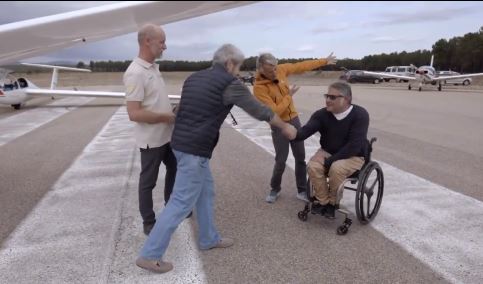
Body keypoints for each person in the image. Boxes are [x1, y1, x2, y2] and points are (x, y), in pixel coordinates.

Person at [135, 44, 297, 274]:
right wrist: (285, 128)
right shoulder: (230, 84)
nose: (238, 72)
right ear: (230, 63)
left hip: (180, 144)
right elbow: (260, 110)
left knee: (206, 191)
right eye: (238, 66)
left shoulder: (194, 78)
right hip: (194, 150)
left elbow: (181, 108)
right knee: (181, 201)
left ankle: (208, 238)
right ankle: (150, 255)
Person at [253, 52, 337, 203]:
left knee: (300, 158)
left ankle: (302, 190)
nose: (274, 72)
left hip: (295, 121)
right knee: (281, 160)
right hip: (279, 125)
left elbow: (301, 65)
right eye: (270, 70)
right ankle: (275, 188)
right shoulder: (259, 88)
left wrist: (325, 61)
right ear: (261, 70)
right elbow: (275, 112)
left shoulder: (281, 69)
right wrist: (289, 96)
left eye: (275, 68)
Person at [123, 24, 177, 236]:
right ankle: (148, 221)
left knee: (175, 168)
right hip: (151, 140)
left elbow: (154, 102)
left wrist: (170, 111)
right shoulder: (135, 73)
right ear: (147, 41)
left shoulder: (153, 68)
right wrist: (165, 116)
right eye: (162, 41)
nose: (165, 46)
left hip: (166, 137)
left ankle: (171, 206)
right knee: (148, 182)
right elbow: (134, 113)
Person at [293, 81, 369, 218]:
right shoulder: (321, 115)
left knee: (336, 168)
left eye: (332, 97)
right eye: (327, 96)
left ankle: (333, 203)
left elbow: (354, 146)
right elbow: (303, 133)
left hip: (354, 155)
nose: (327, 100)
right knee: (313, 166)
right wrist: (288, 131)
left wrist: (329, 161)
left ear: (346, 99)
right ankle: (323, 202)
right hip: (329, 151)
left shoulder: (360, 115)